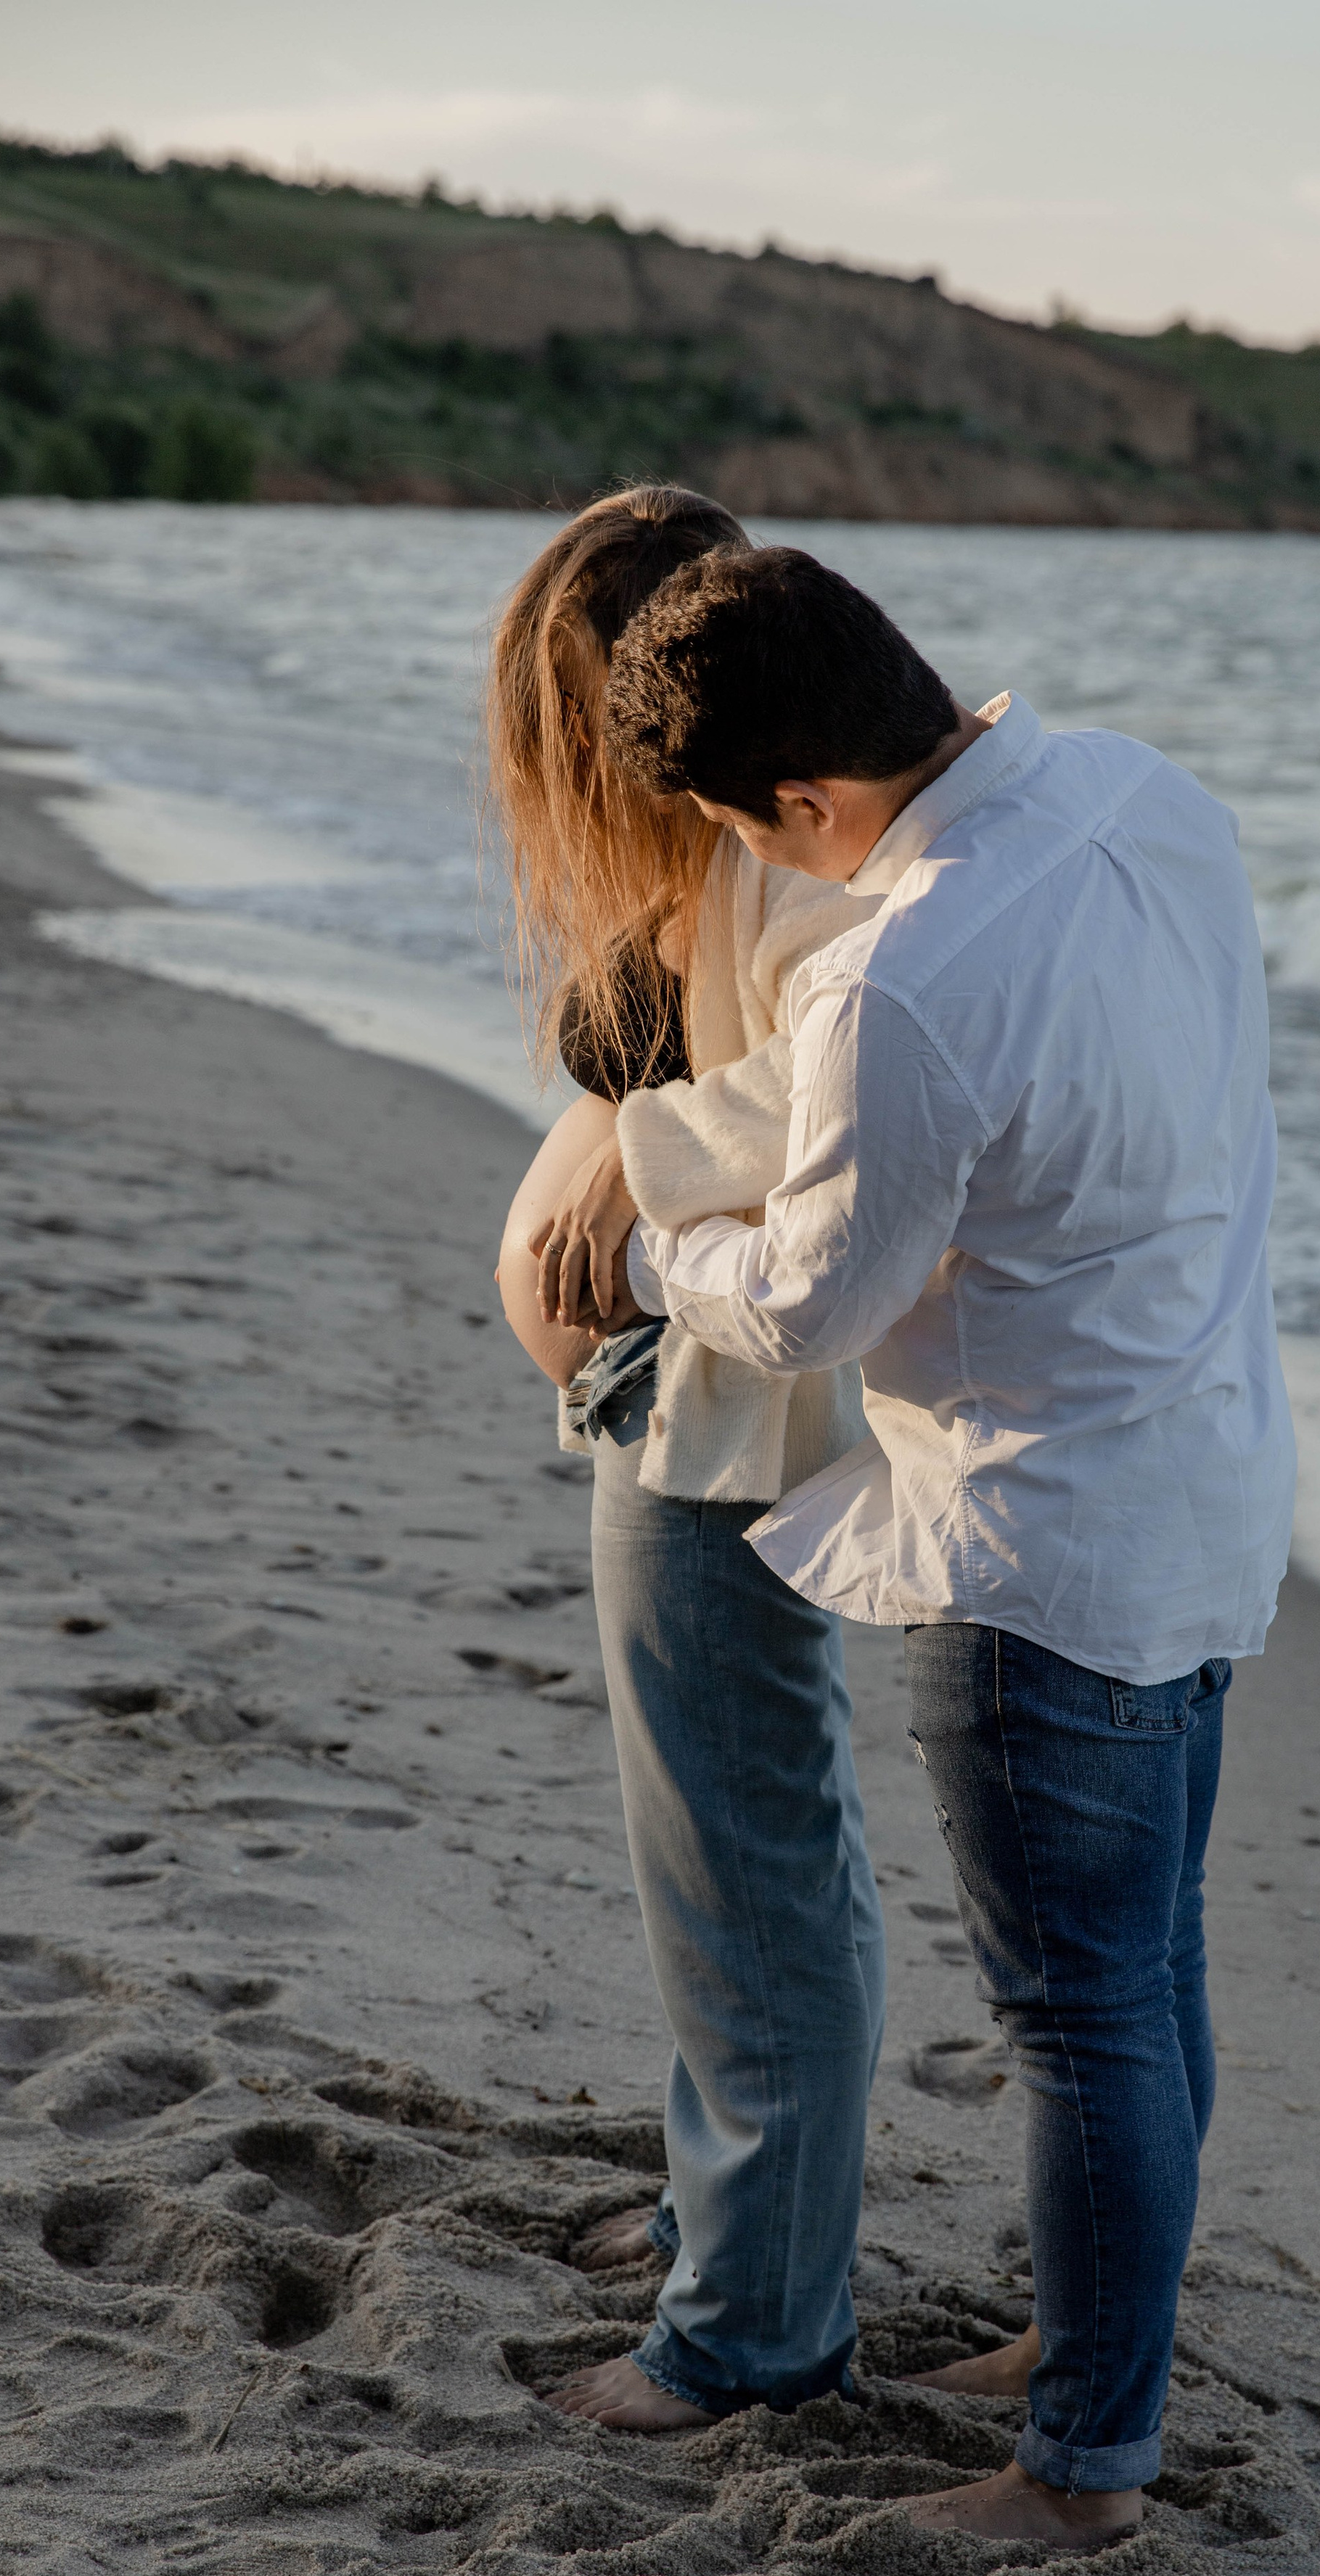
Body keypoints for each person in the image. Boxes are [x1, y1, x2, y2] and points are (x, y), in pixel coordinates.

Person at [584, 543, 1298, 2544]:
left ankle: (1080, 2469)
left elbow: (811, 1306)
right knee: (1149, 1975)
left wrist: (652, 1242)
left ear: (804, 799)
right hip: (1215, 1481)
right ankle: (1091, 2338)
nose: (765, 868)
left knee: (1079, 2020)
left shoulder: (907, 974)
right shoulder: (1153, 793)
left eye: (749, 830)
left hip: (1034, 1547)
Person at [487, 491, 887, 2432]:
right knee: (723, 1852)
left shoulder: (798, 881)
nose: (591, 762)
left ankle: (756, 2327)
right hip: (669, 1393)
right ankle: (725, 2216)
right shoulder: (696, 866)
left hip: (732, 1417)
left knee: (748, 1863)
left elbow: (839, 1125)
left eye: (600, 716)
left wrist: (634, 1199)